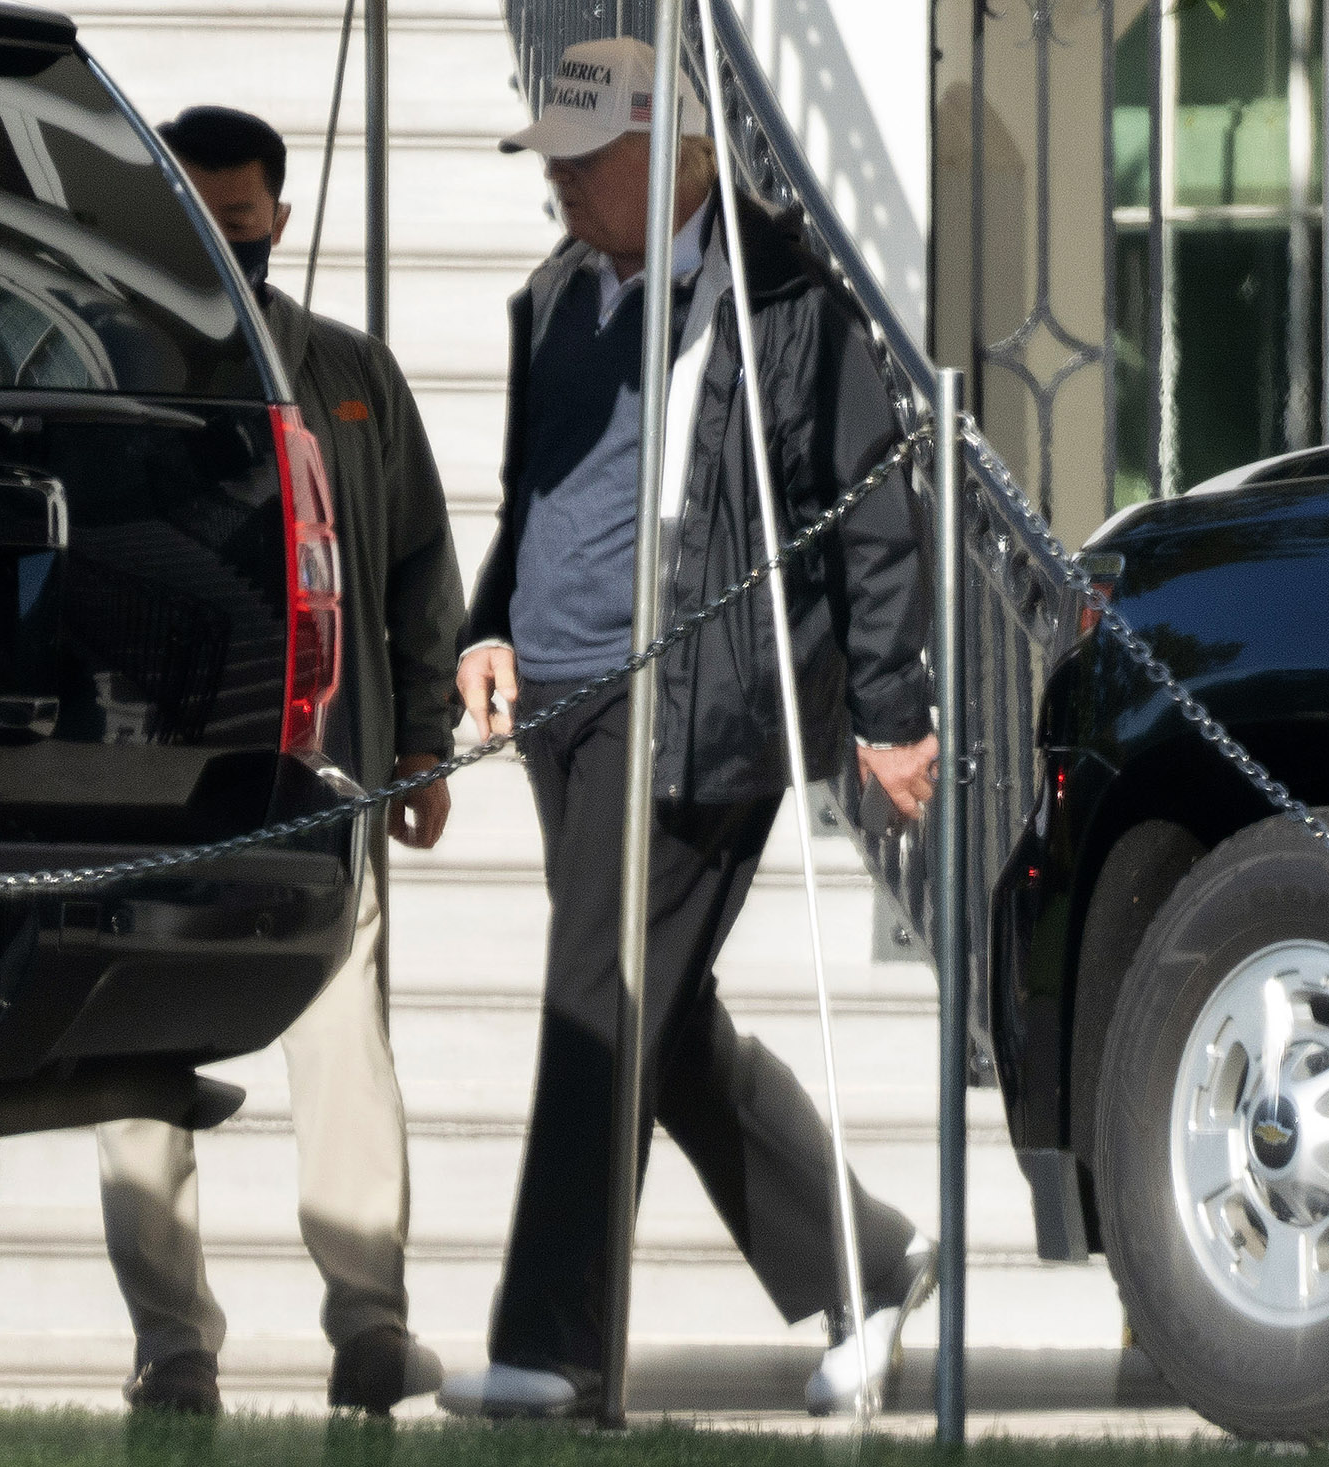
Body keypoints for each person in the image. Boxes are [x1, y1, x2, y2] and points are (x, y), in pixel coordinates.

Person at [437, 38, 939, 1422]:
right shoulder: (551, 301)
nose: (557, 184)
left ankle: (555, 1349)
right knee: (659, 1015)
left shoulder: (783, 297)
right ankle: (873, 1262)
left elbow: (871, 514)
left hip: (697, 703)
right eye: (548, 159)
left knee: (596, 1002)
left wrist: (895, 712)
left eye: (582, 159)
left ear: (671, 155)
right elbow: (527, 508)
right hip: (562, 709)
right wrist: (485, 633)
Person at [93, 105, 467, 1417]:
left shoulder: (356, 377)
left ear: (280, 224)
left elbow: (422, 562)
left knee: (344, 1046)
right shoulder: (104, 369)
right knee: (133, 1065)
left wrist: (425, 738)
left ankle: (371, 1325)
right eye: (193, 225)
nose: (218, 250)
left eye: (239, 229)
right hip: (145, 783)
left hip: (327, 779)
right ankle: (171, 1344)